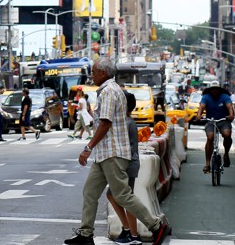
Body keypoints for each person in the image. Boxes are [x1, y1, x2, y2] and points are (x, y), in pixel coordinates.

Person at [64, 57, 170, 245]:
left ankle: (155, 226)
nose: (92, 75)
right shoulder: (111, 90)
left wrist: (88, 148)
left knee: (122, 195)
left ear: (103, 73)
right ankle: (86, 234)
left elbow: (105, 123)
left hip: (112, 153)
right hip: (105, 153)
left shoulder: (109, 92)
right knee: (90, 191)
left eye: (94, 72)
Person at [106, 91, 142, 245]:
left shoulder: (126, 123)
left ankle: (133, 235)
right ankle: (128, 230)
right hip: (126, 164)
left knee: (126, 199)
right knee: (113, 195)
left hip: (127, 165)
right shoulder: (125, 121)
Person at [194, 86, 235, 173]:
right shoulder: (206, 97)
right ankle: (207, 164)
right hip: (211, 121)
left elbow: (230, 107)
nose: (215, 91)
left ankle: (226, 153)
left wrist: (231, 115)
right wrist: (199, 115)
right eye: (213, 90)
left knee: (227, 135)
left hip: (224, 120)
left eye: (217, 89)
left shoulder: (225, 97)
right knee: (210, 137)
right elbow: (201, 107)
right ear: (210, 91)